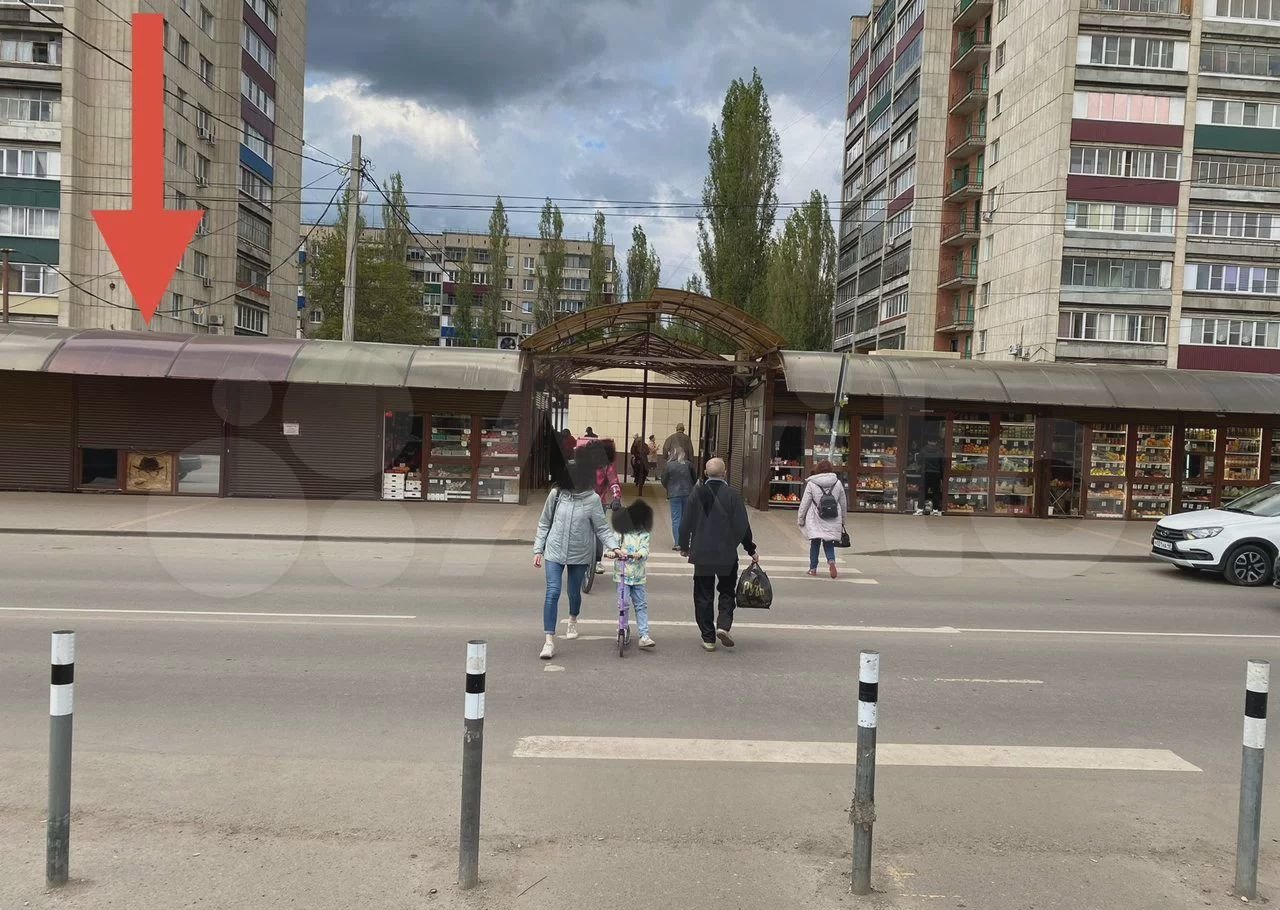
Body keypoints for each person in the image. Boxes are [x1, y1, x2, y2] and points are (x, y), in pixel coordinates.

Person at [533, 458, 620, 660]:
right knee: (552, 592)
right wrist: (538, 550)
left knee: (573, 592)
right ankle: (548, 641)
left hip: (579, 553)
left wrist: (614, 547)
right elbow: (544, 523)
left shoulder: (593, 499)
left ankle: (573, 618)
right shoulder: (556, 495)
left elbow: (601, 528)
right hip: (554, 550)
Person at [679, 457, 758, 652]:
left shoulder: (697, 494)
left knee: (703, 595)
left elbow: (685, 523)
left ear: (706, 473)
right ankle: (723, 625)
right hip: (726, 554)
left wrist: (684, 546)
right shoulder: (733, 496)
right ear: (725, 473)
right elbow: (743, 527)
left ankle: (708, 638)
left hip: (702, 554)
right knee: (727, 591)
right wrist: (751, 549)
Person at [611, 499, 656, 649]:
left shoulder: (644, 534)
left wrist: (640, 553)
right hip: (622, 575)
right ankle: (622, 628)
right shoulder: (620, 533)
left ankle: (644, 634)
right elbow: (612, 545)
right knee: (623, 604)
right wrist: (612, 552)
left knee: (641, 604)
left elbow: (645, 549)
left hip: (638, 576)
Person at [574, 436, 623, 573]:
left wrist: (616, 498)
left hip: (599, 502)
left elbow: (613, 482)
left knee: (599, 530)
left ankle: (597, 561)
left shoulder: (607, 465)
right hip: (581, 500)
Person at [797, 459, 848, 578]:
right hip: (833, 517)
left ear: (818, 470)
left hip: (815, 517)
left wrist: (801, 518)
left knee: (815, 543)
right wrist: (843, 519)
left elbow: (805, 503)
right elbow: (843, 503)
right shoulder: (837, 483)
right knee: (829, 542)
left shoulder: (812, 484)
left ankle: (813, 569)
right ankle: (831, 562)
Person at [660, 446, 695, 550]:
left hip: (674, 494)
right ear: (683, 454)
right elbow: (694, 478)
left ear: (672, 454)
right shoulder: (688, 464)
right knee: (686, 518)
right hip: (688, 493)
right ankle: (686, 542)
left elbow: (663, 480)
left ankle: (677, 543)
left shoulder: (669, 465)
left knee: (676, 518)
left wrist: (669, 488)